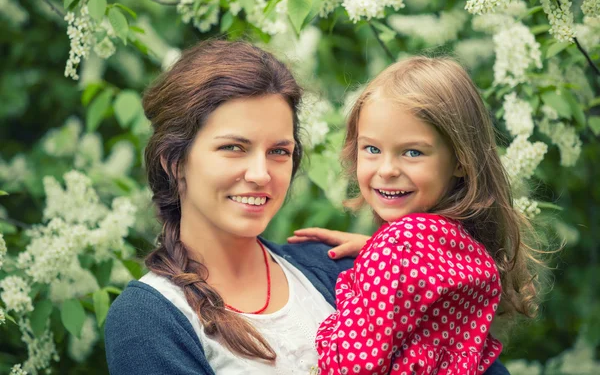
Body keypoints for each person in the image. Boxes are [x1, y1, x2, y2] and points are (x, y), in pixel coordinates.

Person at [103, 41, 510, 375]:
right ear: (174, 161)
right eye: (234, 148)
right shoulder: (149, 320)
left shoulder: (339, 267)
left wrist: (401, 257)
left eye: (279, 151)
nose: (261, 174)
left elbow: (471, 359)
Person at [307, 57, 536, 375]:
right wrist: (378, 249)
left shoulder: (399, 248)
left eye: (412, 152)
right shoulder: (463, 245)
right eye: (371, 149)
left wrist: (343, 305)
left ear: (460, 161)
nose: (387, 170)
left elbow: (352, 365)